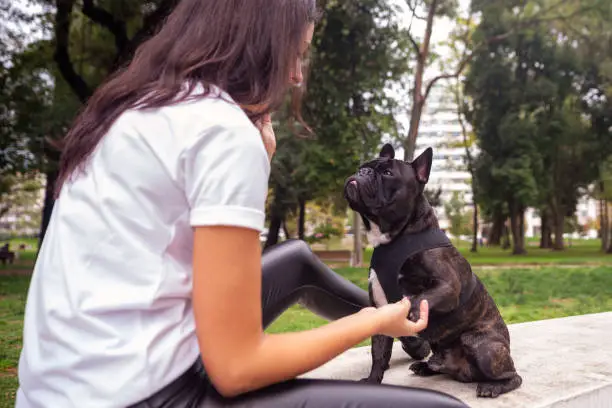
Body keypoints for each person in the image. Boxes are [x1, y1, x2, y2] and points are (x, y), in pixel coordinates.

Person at [16, 1, 469, 407]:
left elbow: (191, 255)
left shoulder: (138, 105)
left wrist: (260, 164)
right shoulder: (222, 131)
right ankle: (389, 322)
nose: (296, 74)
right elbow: (236, 369)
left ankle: (406, 329)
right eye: (297, 52)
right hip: (141, 395)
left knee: (296, 261)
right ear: (259, 43)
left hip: (57, 388)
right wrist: (368, 325)